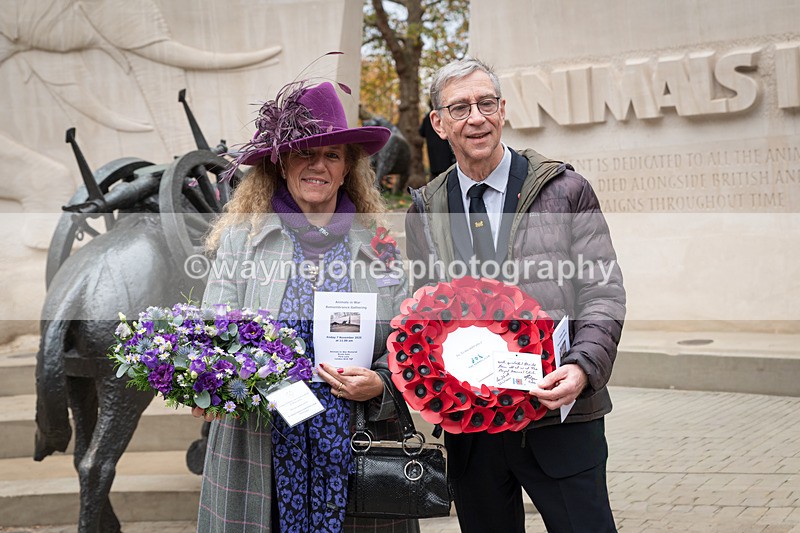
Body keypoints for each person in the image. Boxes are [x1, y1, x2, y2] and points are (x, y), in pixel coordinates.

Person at [405, 57, 626, 532]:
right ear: (439, 125)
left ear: (503, 110)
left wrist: (583, 367)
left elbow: (602, 291)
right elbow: (422, 310)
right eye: (460, 108)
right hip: (472, 428)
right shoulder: (425, 207)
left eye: (486, 103)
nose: (476, 117)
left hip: (558, 419)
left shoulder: (565, 190)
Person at [194, 80, 417, 533]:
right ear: (280, 162)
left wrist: (381, 383)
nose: (319, 166)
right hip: (259, 448)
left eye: (332, 155)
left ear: (347, 168)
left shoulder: (379, 244)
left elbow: (404, 341)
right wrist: (217, 381)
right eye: (305, 153)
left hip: (358, 445)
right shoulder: (244, 239)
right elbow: (214, 335)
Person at [418, 99, 456, 180]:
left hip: (433, 150)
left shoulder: (426, 118)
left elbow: (421, 132)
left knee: (436, 172)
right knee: (447, 170)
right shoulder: (443, 116)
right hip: (445, 147)